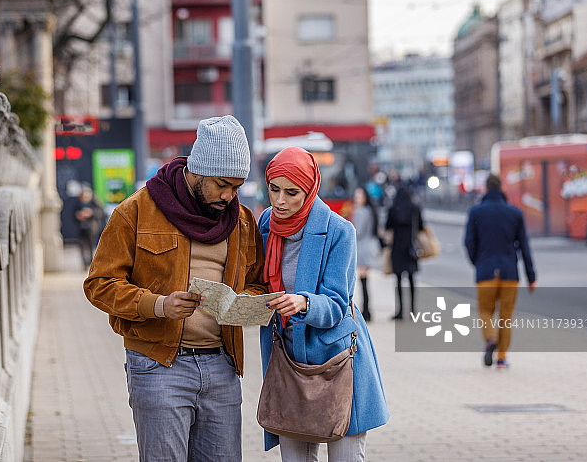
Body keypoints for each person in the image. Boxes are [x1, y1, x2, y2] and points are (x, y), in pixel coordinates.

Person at [82, 115, 267, 461]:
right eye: (222, 184)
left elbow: (257, 283)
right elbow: (99, 285)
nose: (229, 196)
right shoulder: (136, 211)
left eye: (237, 187)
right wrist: (159, 305)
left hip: (222, 369)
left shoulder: (241, 221)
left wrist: (244, 305)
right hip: (158, 366)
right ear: (197, 170)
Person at [259, 147, 389, 462]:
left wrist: (303, 302)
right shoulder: (266, 225)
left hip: (337, 361)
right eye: (274, 189)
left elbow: (337, 304)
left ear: (310, 189)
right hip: (288, 361)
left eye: (291, 192)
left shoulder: (339, 231)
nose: (280, 201)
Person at [465, 173, 537, 369]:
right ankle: (502, 358)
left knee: (486, 311)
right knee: (506, 316)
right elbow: (524, 246)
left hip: (486, 271)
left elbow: (469, 242)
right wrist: (531, 277)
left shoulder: (476, 212)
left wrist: (477, 261)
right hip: (509, 272)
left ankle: (490, 339)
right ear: (501, 188)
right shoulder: (514, 213)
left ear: (486, 189)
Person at [385, 186, 424, 319]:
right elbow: (421, 226)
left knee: (398, 279)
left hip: (397, 247)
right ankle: (413, 310)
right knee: (412, 278)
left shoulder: (393, 208)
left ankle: (400, 310)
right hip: (411, 247)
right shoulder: (415, 208)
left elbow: (387, 226)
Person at [352, 186, 381, 322]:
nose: (356, 199)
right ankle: (367, 309)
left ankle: (366, 310)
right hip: (370, 246)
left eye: (359, 196)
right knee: (365, 280)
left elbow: (358, 231)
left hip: (363, 248)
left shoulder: (361, 211)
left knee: (363, 281)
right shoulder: (370, 210)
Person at [74, 183, 104, 266]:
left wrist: (91, 213)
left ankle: (91, 262)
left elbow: (100, 212)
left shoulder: (94, 202)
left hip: (92, 228)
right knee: (82, 245)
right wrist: (79, 215)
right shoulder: (78, 203)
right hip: (81, 227)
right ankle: (84, 262)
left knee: (91, 246)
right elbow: (73, 214)